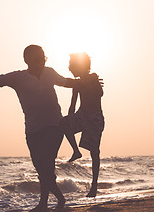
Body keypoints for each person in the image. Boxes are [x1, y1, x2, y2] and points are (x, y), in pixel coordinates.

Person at [0, 45, 77, 211]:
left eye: (42, 57)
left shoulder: (50, 73)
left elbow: (69, 83)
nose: (40, 61)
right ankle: (58, 200)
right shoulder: (17, 78)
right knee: (41, 168)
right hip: (32, 131)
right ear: (27, 60)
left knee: (47, 165)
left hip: (54, 126)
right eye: (36, 58)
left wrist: (89, 81)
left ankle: (44, 204)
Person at [60, 52, 105, 198]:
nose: (70, 69)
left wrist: (91, 83)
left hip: (95, 118)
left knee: (94, 152)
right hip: (82, 115)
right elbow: (72, 105)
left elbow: (100, 94)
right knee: (63, 123)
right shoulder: (77, 83)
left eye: (72, 66)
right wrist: (69, 118)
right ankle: (76, 151)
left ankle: (94, 186)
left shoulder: (93, 78)